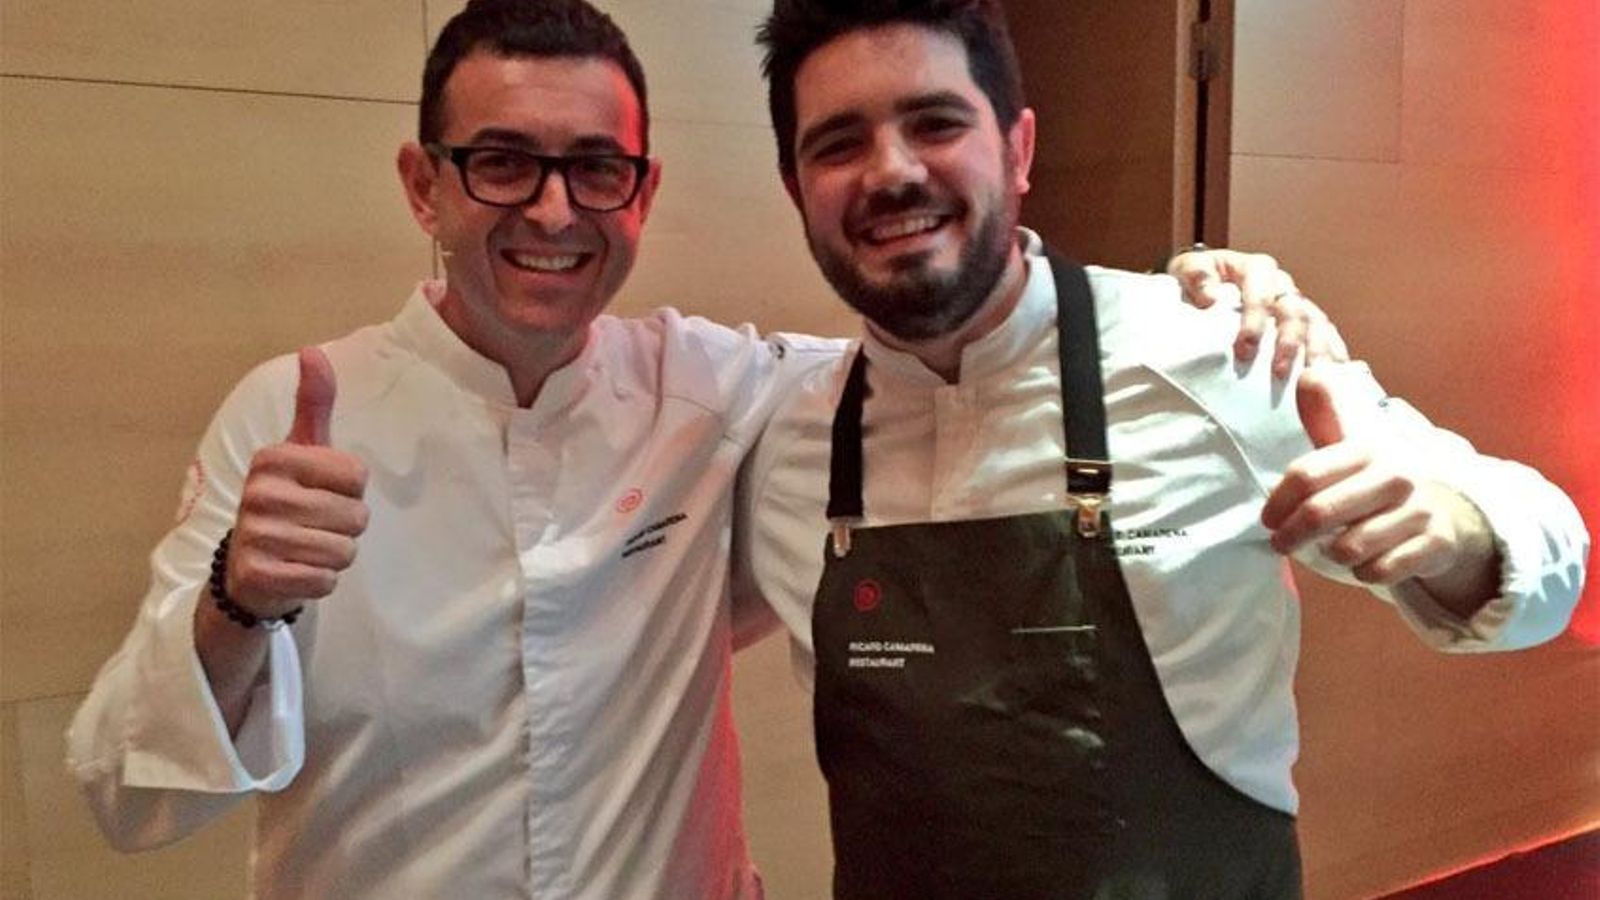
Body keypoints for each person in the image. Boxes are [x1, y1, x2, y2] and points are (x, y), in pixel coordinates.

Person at [66, 1, 1335, 897]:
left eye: (596, 169)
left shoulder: (719, 389)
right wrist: (238, 601)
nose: (553, 212)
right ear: (424, 184)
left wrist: (1181, 293)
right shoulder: (297, 414)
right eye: (502, 163)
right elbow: (128, 798)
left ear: (644, 190)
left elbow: (953, 359)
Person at [737, 1, 1591, 898]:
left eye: (935, 123)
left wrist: (1457, 533)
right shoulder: (784, 436)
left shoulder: (1219, 352)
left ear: (1019, 149)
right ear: (797, 189)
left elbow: (1551, 554)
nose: (892, 172)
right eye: (838, 144)